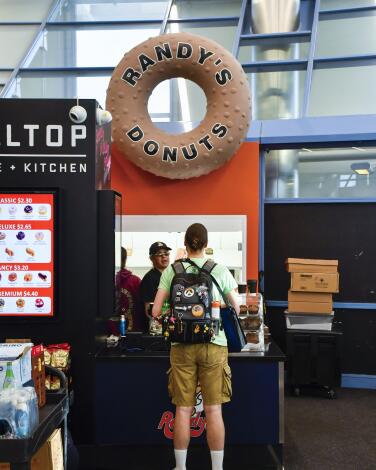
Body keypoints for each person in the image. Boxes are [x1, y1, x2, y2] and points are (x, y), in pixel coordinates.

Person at [152, 223, 239, 470]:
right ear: (206, 244)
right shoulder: (219, 269)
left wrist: (172, 315)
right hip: (213, 344)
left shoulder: (172, 270)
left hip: (181, 345)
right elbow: (238, 306)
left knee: (182, 410)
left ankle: (180, 467)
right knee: (213, 410)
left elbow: (156, 310)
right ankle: (217, 468)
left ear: (186, 243)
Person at [140, 241, 172, 322]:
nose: (164, 257)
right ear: (152, 258)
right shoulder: (149, 279)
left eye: (166, 254)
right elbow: (148, 311)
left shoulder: (171, 275)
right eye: (160, 254)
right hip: (155, 326)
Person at [115, 247, 145, 331]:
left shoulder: (103, 283)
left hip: (106, 335)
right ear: (124, 260)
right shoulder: (136, 281)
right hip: (134, 332)